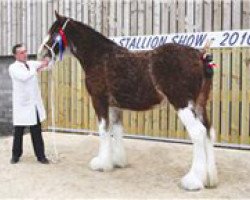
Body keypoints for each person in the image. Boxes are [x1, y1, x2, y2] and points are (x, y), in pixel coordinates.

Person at [9, 43, 50, 164]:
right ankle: (15, 155)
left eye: (25, 51)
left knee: (36, 131)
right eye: (21, 52)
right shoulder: (13, 68)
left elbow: (45, 66)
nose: (25, 54)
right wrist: (37, 67)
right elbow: (24, 77)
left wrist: (47, 61)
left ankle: (41, 156)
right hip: (22, 105)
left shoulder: (30, 64)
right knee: (19, 131)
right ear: (15, 55)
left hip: (34, 104)